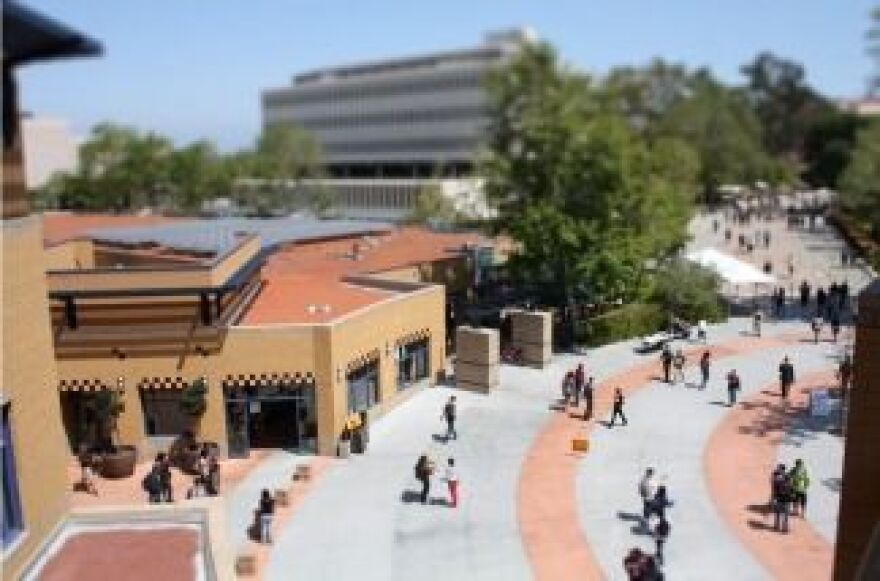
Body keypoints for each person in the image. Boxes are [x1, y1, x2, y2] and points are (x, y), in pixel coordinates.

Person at [771, 464, 792, 533]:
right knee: (779, 513)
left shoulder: (780, 477)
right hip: (782, 498)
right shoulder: (778, 477)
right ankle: (778, 526)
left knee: (784, 514)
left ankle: (783, 527)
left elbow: (790, 488)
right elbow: (774, 489)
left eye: (780, 469)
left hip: (785, 498)